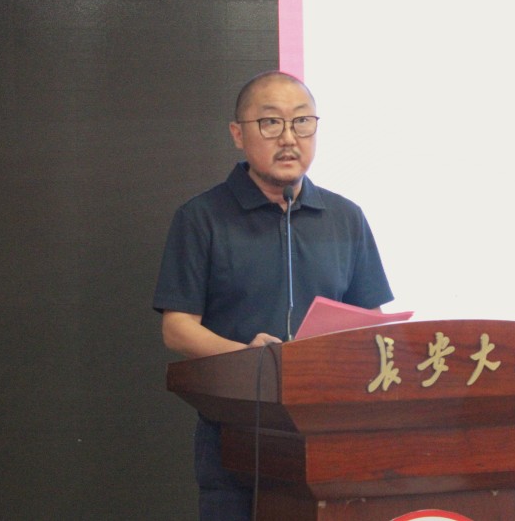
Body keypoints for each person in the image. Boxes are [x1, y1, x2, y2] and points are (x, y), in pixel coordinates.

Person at [152, 70, 394, 520]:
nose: (288, 138)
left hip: (329, 435)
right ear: (237, 134)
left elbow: (370, 321)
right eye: (270, 123)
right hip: (236, 435)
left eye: (302, 121)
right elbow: (177, 328)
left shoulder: (345, 217)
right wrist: (250, 358)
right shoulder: (201, 217)